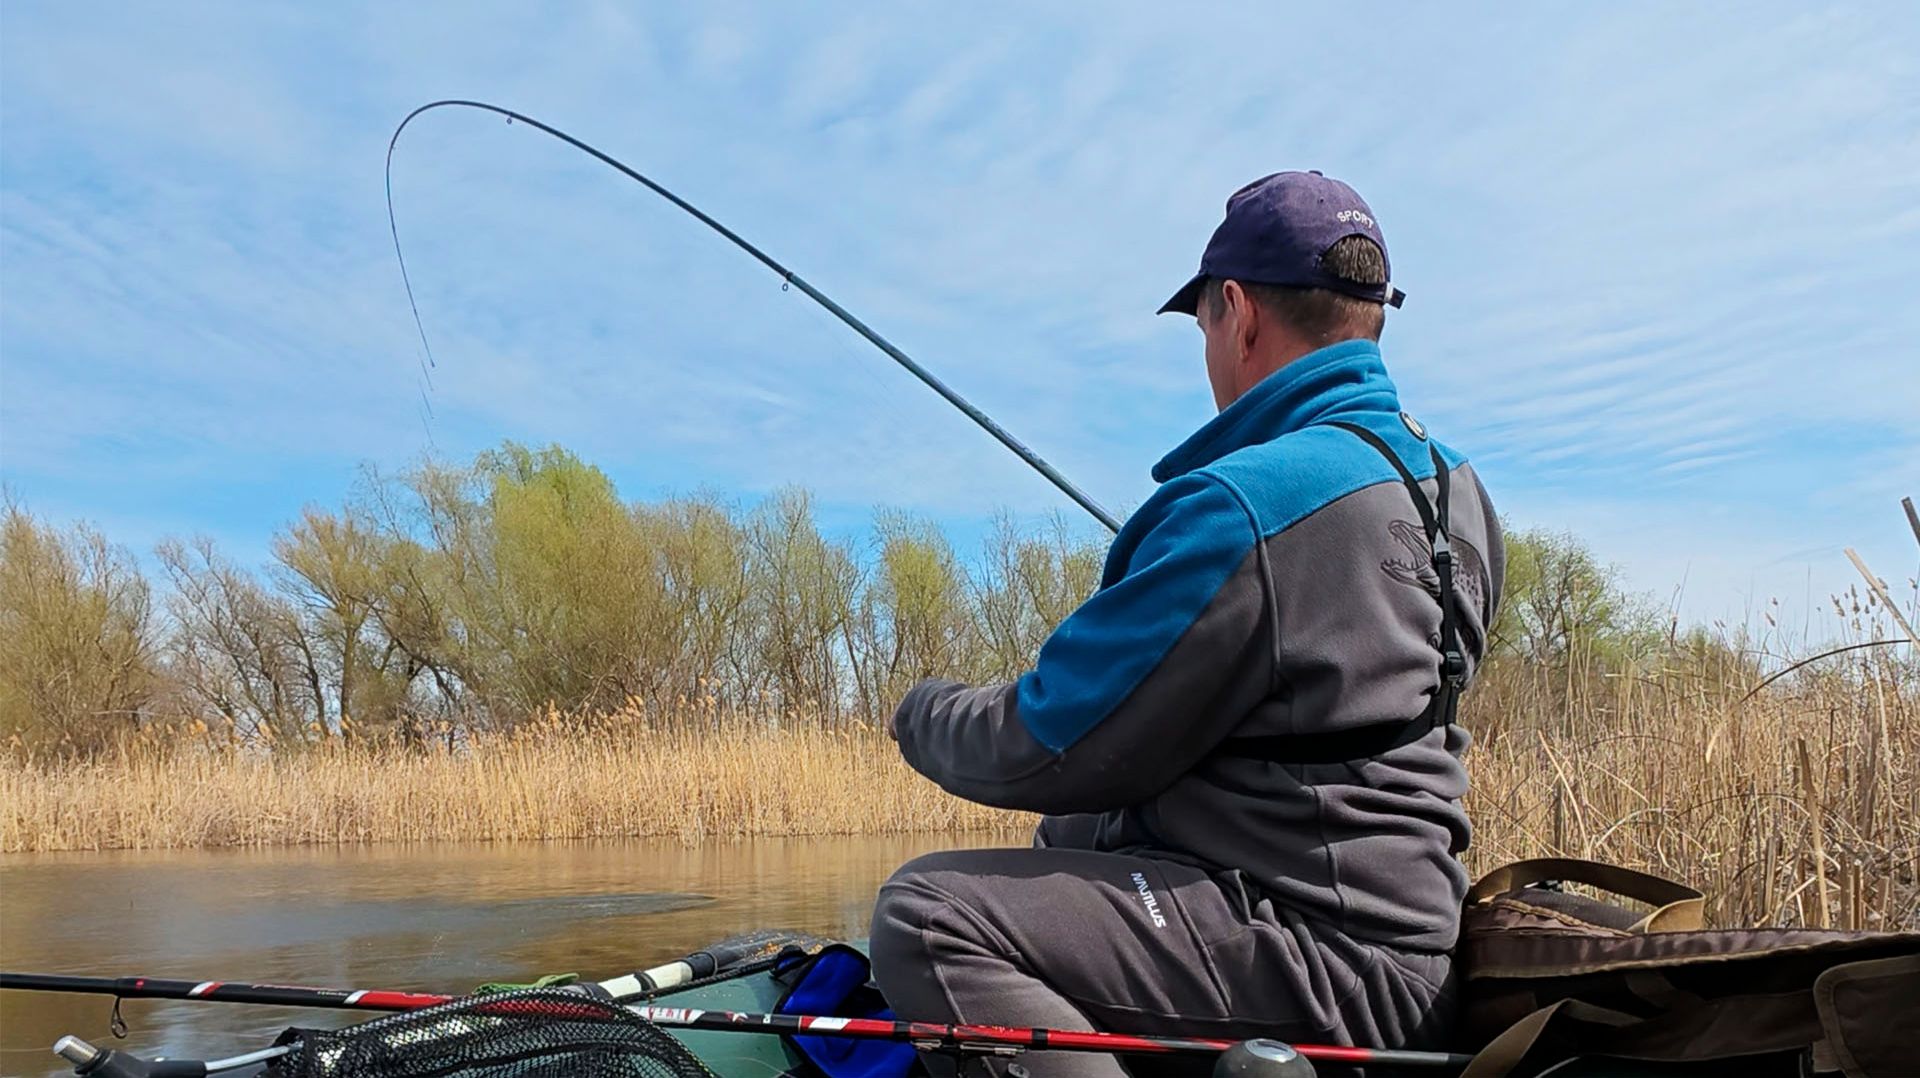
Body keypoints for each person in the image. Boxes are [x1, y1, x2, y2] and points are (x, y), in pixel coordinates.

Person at [868, 171, 1505, 1076]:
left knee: (928, 915)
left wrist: (920, 712)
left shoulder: (1245, 507)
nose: (1208, 349)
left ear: (1238, 312)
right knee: (1071, 841)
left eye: (1204, 322)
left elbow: (1049, 740)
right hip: (1416, 954)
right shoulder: (1459, 494)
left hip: (1317, 960)